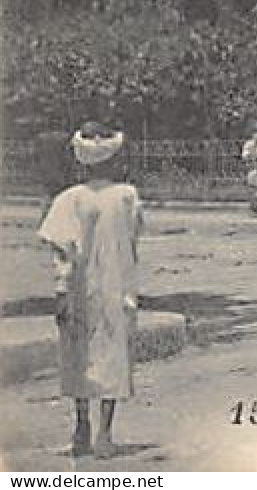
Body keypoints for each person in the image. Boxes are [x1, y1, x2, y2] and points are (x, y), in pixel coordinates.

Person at [38, 123, 142, 459]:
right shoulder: (127, 196)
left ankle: (81, 425)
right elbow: (134, 236)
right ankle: (104, 433)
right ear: (114, 160)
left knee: (79, 355)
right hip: (114, 286)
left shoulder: (69, 199)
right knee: (113, 353)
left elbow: (62, 252)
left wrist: (60, 291)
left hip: (79, 289)